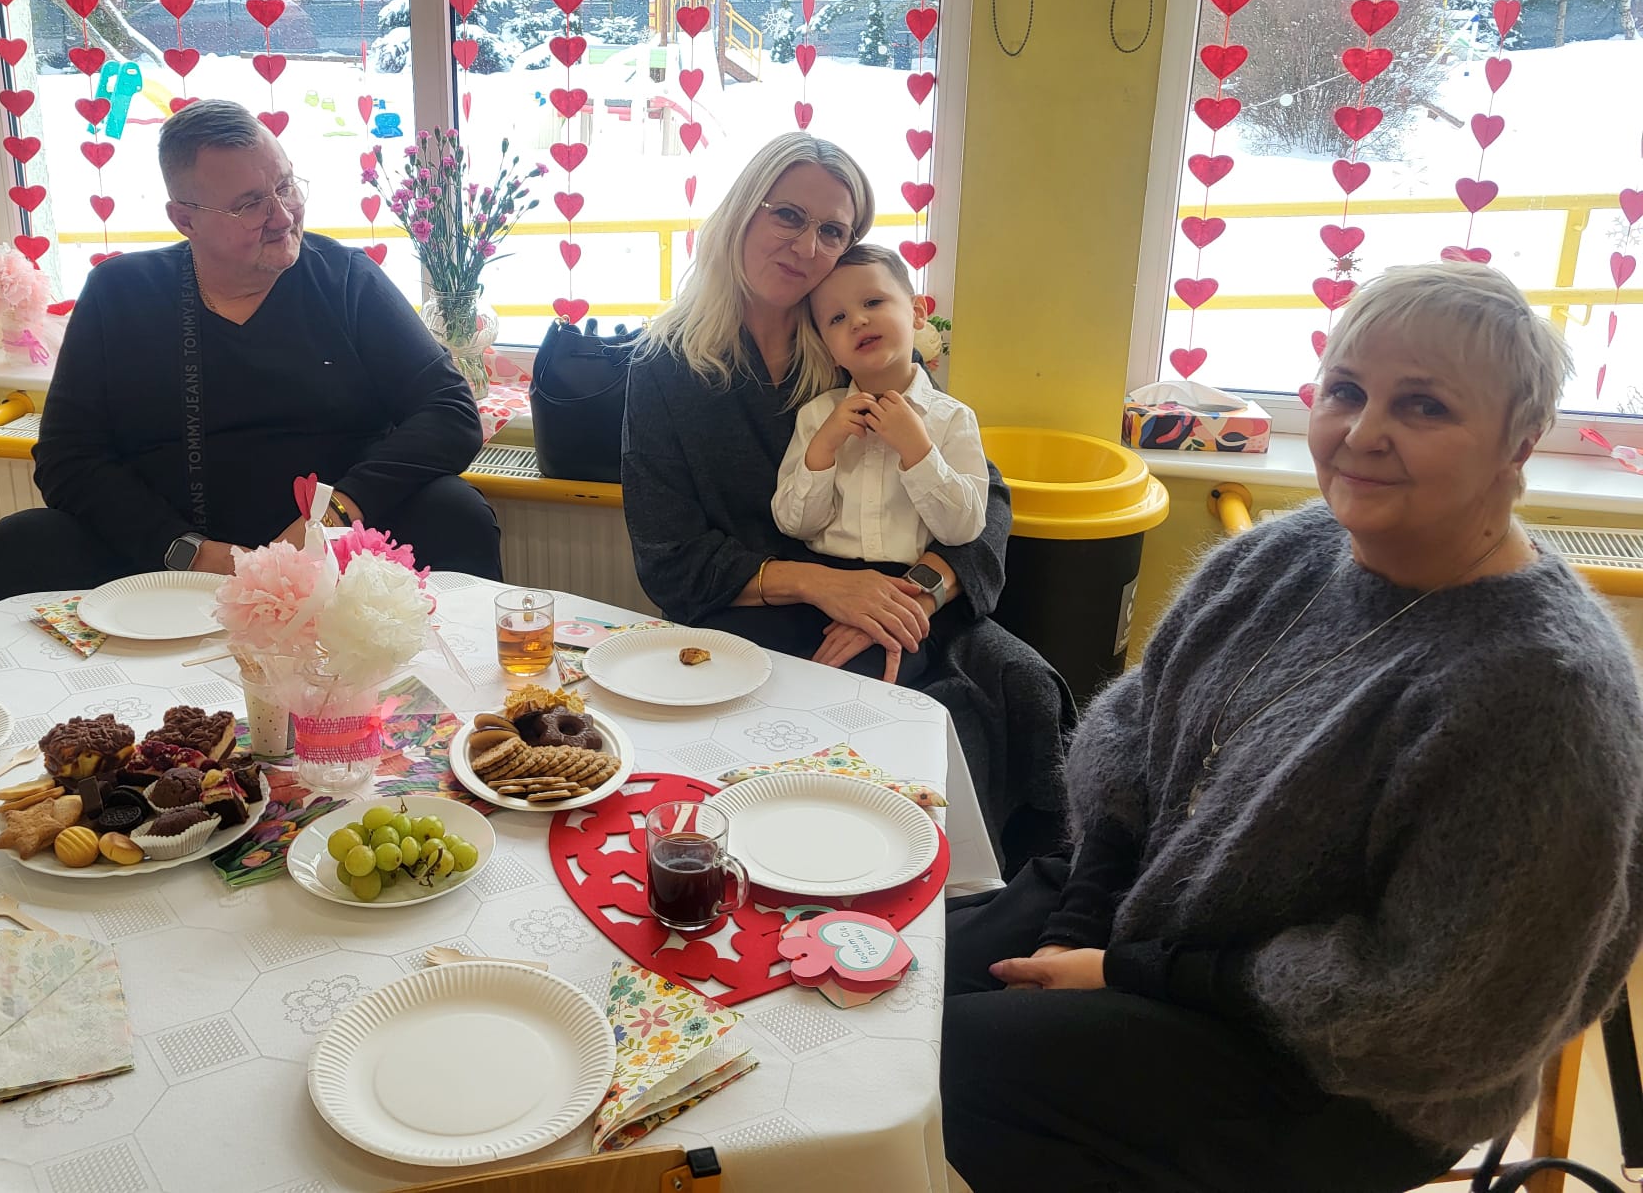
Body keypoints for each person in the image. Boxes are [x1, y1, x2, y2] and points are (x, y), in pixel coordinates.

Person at [940, 261, 1643, 1193]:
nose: (1363, 432)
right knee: (875, 983)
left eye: (1424, 406)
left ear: (1520, 442)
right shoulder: (1292, 549)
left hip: (1345, 1072)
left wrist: (1126, 972)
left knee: (931, 1075)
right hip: (1155, 918)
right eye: (1346, 390)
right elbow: (1134, 727)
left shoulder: (1544, 694)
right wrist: (1080, 922)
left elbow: (1438, 1016)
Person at [622, 132, 1068, 868]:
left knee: (1022, 685)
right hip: (753, 612)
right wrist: (827, 587)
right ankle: (856, 887)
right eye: (788, 215)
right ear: (742, 211)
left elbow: (984, 501)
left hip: (899, 591)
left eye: (833, 230)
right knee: (918, 717)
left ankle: (1025, 897)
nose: (807, 246)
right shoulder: (664, 368)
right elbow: (668, 556)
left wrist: (908, 597)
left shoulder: (854, 338)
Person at [0, 100, 500, 614]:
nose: (282, 215)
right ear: (185, 219)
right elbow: (68, 458)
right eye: (249, 205)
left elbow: (449, 411)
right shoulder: (119, 294)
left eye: (285, 186)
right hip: (165, 556)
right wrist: (190, 552)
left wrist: (335, 514)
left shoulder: (345, 280)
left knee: (454, 511)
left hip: (334, 552)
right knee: (19, 546)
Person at [772, 244, 989, 680]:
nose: (858, 320)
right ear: (829, 349)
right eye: (837, 318)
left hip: (908, 589)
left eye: (873, 302)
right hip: (821, 590)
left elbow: (964, 529)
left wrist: (918, 451)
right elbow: (795, 525)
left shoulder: (952, 419)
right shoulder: (816, 417)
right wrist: (823, 449)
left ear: (917, 312)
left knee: (875, 673)